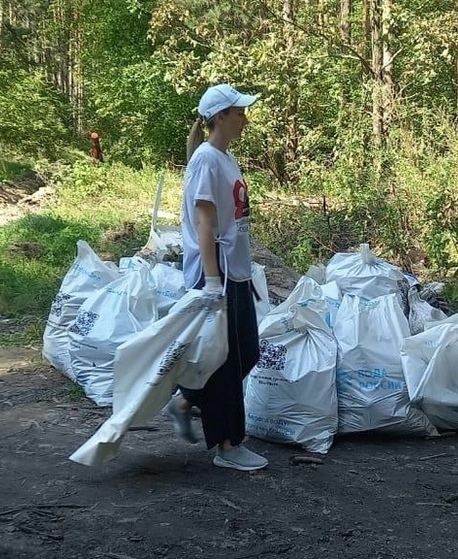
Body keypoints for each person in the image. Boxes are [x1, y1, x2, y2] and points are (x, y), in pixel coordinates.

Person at [164, 83, 267, 471]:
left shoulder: (226, 158)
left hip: (234, 271)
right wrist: (210, 281)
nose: (245, 118)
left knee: (247, 352)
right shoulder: (206, 160)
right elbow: (205, 224)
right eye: (239, 112)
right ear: (220, 117)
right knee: (225, 364)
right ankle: (228, 446)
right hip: (217, 272)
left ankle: (186, 399)